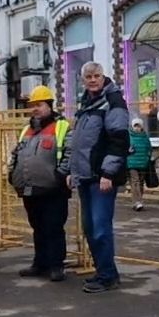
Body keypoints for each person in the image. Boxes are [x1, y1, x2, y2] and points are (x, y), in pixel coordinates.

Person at [65, 60, 131, 293]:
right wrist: (72, 172)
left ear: (103, 77)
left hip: (101, 177)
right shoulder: (87, 103)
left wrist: (108, 173)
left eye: (97, 76)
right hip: (85, 176)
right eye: (88, 77)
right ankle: (102, 271)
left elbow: (119, 140)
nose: (93, 80)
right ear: (83, 80)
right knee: (90, 228)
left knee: (101, 228)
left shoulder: (113, 102)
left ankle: (108, 276)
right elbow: (78, 141)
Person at [7, 85, 71, 281]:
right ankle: (40, 263)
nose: (35, 108)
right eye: (33, 105)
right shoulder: (27, 129)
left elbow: (70, 153)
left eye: (39, 104)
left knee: (53, 227)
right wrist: (12, 173)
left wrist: (60, 175)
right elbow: (17, 154)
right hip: (29, 189)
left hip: (53, 189)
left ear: (49, 105)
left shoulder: (61, 126)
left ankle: (56, 265)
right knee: (38, 227)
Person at [126, 119, 152, 211]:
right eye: (135, 126)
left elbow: (149, 148)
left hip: (143, 163)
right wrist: (127, 151)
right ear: (132, 127)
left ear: (141, 127)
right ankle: (137, 202)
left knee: (140, 183)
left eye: (139, 126)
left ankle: (138, 201)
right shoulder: (129, 136)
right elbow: (124, 148)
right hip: (131, 164)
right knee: (135, 182)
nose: (137, 128)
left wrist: (148, 157)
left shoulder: (145, 137)